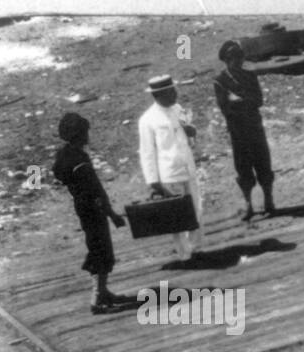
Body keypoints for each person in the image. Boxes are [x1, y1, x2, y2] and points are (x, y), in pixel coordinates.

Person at [52, 113, 135, 315]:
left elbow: (54, 172)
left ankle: (104, 292)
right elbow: (95, 190)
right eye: (85, 132)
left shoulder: (63, 155)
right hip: (93, 208)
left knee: (97, 247)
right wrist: (112, 214)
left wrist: (35, 184)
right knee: (101, 250)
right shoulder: (79, 158)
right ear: (79, 134)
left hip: (82, 206)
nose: (88, 135)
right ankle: (97, 298)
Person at [138, 74, 204, 259]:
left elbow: (188, 138)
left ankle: (197, 249)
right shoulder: (148, 120)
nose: (175, 94)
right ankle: (185, 255)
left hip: (187, 167)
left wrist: (192, 133)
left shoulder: (178, 109)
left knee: (196, 209)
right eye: (170, 92)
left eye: (174, 90)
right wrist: (153, 181)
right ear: (158, 95)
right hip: (169, 173)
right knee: (177, 215)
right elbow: (147, 151)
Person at [214, 40, 276, 221]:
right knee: (243, 169)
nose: (238, 62)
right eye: (234, 59)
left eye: (240, 58)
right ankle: (248, 204)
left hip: (255, 128)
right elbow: (225, 108)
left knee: (263, 164)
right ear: (226, 60)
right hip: (238, 131)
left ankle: (269, 200)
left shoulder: (250, 76)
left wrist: (239, 100)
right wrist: (243, 102)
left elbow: (258, 100)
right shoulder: (220, 81)